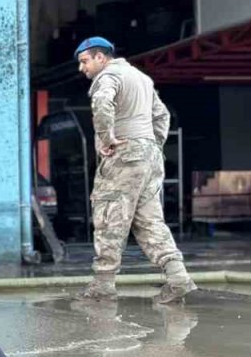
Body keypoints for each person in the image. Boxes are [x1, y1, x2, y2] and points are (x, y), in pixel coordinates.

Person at [74, 36, 196, 305]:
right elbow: (162, 116)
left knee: (109, 216)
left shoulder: (108, 77)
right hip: (150, 156)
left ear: (100, 57)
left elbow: (102, 104)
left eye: (84, 62)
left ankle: (102, 286)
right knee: (150, 220)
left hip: (125, 154)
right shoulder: (142, 78)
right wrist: (151, 145)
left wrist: (107, 140)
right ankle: (177, 277)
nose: (82, 68)